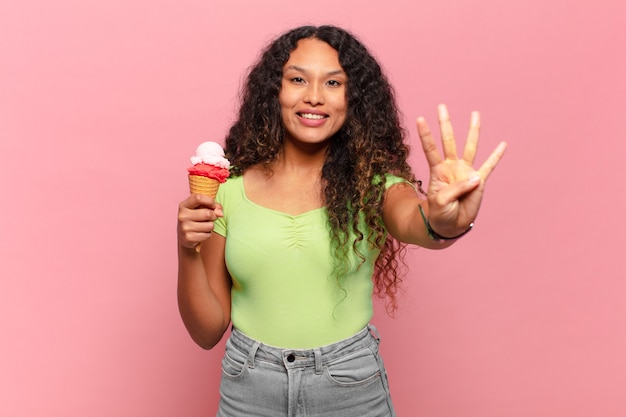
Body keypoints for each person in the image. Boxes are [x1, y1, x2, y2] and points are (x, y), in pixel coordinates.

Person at [176, 25, 506, 417]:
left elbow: (415, 220)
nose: (313, 96)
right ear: (273, 91)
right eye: (297, 79)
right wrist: (187, 249)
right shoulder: (227, 190)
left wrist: (446, 222)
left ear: (354, 100)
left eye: (333, 83)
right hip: (250, 386)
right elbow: (206, 331)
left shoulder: (375, 185)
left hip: (349, 384)